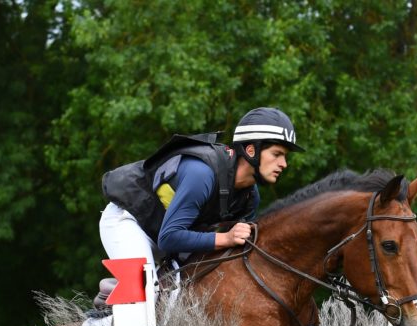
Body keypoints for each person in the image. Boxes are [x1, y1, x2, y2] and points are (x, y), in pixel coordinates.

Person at [99, 107, 302, 279]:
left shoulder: (250, 197)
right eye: (277, 154)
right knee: (143, 291)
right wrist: (226, 238)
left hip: (169, 239)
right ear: (251, 151)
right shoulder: (202, 174)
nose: (284, 164)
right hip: (129, 222)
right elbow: (169, 237)